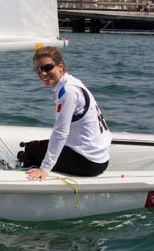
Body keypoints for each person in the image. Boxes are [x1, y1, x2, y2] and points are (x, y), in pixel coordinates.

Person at [22, 47, 112, 180]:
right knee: (37, 146)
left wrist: (45, 168)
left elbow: (61, 133)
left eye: (47, 68)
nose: (43, 74)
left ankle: (29, 186)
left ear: (60, 66)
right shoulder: (73, 82)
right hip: (99, 158)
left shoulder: (68, 91)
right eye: (38, 70)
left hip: (89, 162)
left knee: (31, 150)